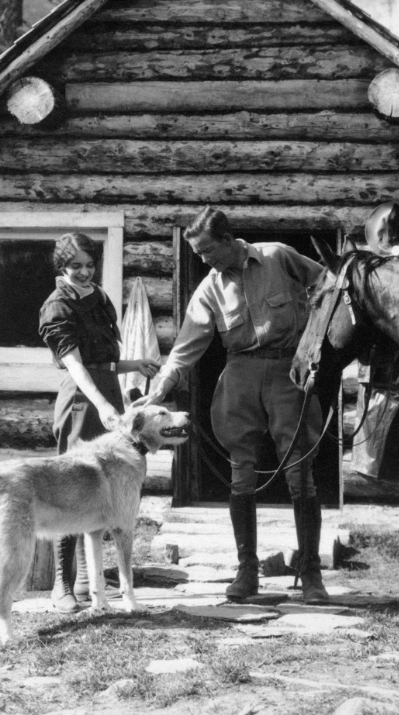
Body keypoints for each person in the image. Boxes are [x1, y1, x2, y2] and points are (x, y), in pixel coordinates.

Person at [141, 207, 329, 604]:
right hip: (239, 377)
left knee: (300, 474)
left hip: (287, 373)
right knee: (241, 475)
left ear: (228, 240)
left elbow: (329, 288)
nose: (204, 260)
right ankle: (247, 573)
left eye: (208, 251)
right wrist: (161, 388)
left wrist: (318, 340)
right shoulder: (209, 288)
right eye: (197, 254)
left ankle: (311, 575)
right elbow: (185, 347)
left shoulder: (278, 255)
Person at [39, 231, 159, 613]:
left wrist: (132, 366)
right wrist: (104, 404)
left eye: (90, 265)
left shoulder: (101, 298)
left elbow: (103, 359)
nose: (85, 273)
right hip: (80, 398)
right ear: (62, 267)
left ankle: (94, 579)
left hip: (106, 389)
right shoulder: (56, 306)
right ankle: (63, 582)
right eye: (76, 267)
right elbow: (76, 365)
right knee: (69, 487)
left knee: (105, 490)